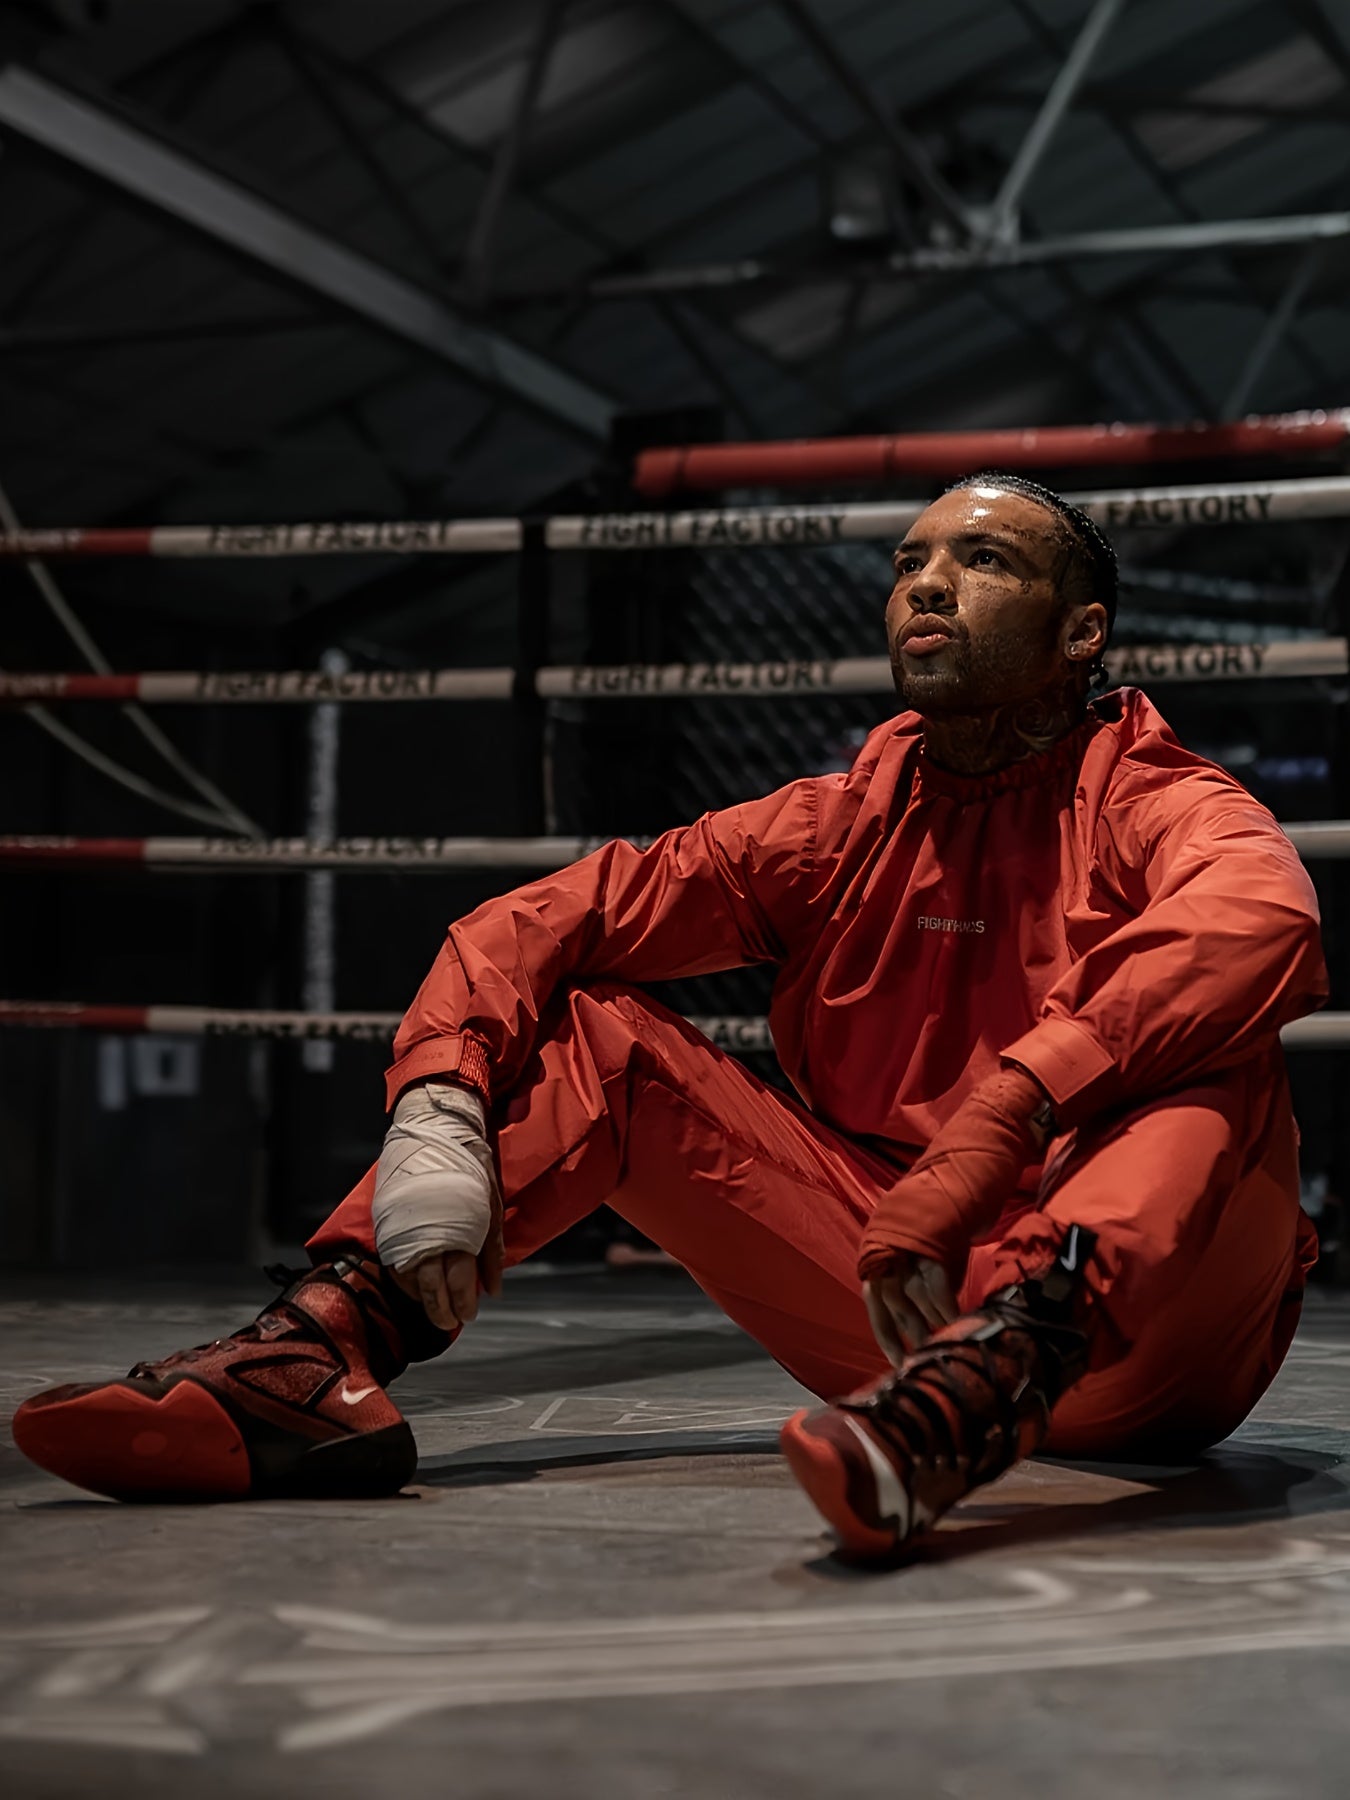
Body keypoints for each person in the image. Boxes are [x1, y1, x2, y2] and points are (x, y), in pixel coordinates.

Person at [13, 473, 1327, 1559]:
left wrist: (1005, 1114)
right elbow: (549, 919)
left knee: (1208, 1043)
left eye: (982, 561)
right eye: (910, 561)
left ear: (1080, 633)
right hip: (901, 1307)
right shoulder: (835, 826)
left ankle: (1002, 1373)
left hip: (1154, 1341)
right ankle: (320, 1357)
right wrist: (437, 1106)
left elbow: (1258, 920)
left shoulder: (1162, 803)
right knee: (600, 1033)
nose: (927, 583)